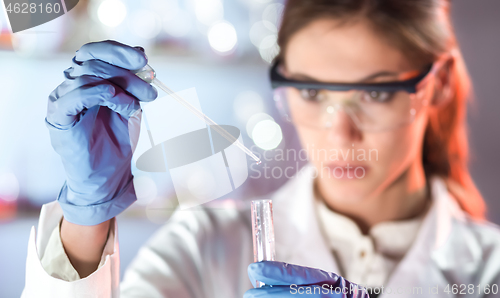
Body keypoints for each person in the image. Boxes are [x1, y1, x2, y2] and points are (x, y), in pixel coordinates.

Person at [22, 0, 500, 297]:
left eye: (375, 93)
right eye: (312, 92)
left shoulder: (487, 272)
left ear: (436, 86)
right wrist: (86, 220)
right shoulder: (203, 246)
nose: (340, 134)